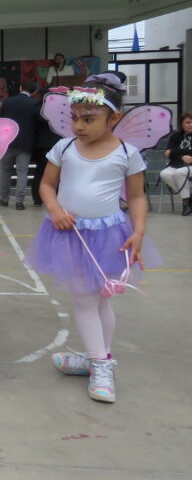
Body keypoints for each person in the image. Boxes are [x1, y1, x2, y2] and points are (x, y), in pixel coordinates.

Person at [28, 73, 159, 403]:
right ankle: (99, 361)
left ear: (114, 118)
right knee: (85, 298)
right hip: (69, 233)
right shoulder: (64, 147)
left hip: (109, 233)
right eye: (74, 118)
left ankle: (98, 360)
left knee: (101, 298)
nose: (79, 126)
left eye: (89, 119)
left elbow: (138, 197)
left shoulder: (127, 153)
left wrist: (139, 231)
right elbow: (46, 185)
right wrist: (55, 208)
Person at [0, 81, 40, 210]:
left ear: (21, 87)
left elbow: (2, 121)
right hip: (26, 143)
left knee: (6, 170)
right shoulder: (34, 103)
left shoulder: (7, 102)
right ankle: (19, 201)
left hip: (8, 142)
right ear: (34, 92)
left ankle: (4, 199)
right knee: (22, 171)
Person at [30, 91, 58, 206]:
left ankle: (37, 199)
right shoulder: (59, 108)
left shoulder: (38, 108)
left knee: (40, 172)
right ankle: (53, 198)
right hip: (54, 144)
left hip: (41, 145)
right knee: (55, 173)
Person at [161, 111, 192, 216]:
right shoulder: (175, 136)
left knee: (179, 173)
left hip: (189, 166)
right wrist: (182, 155)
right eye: (188, 122)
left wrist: (175, 151)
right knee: (164, 174)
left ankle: (186, 204)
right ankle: (188, 197)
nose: (191, 125)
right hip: (176, 164)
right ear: (182, 124)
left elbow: (172, 151)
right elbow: (168, 153)